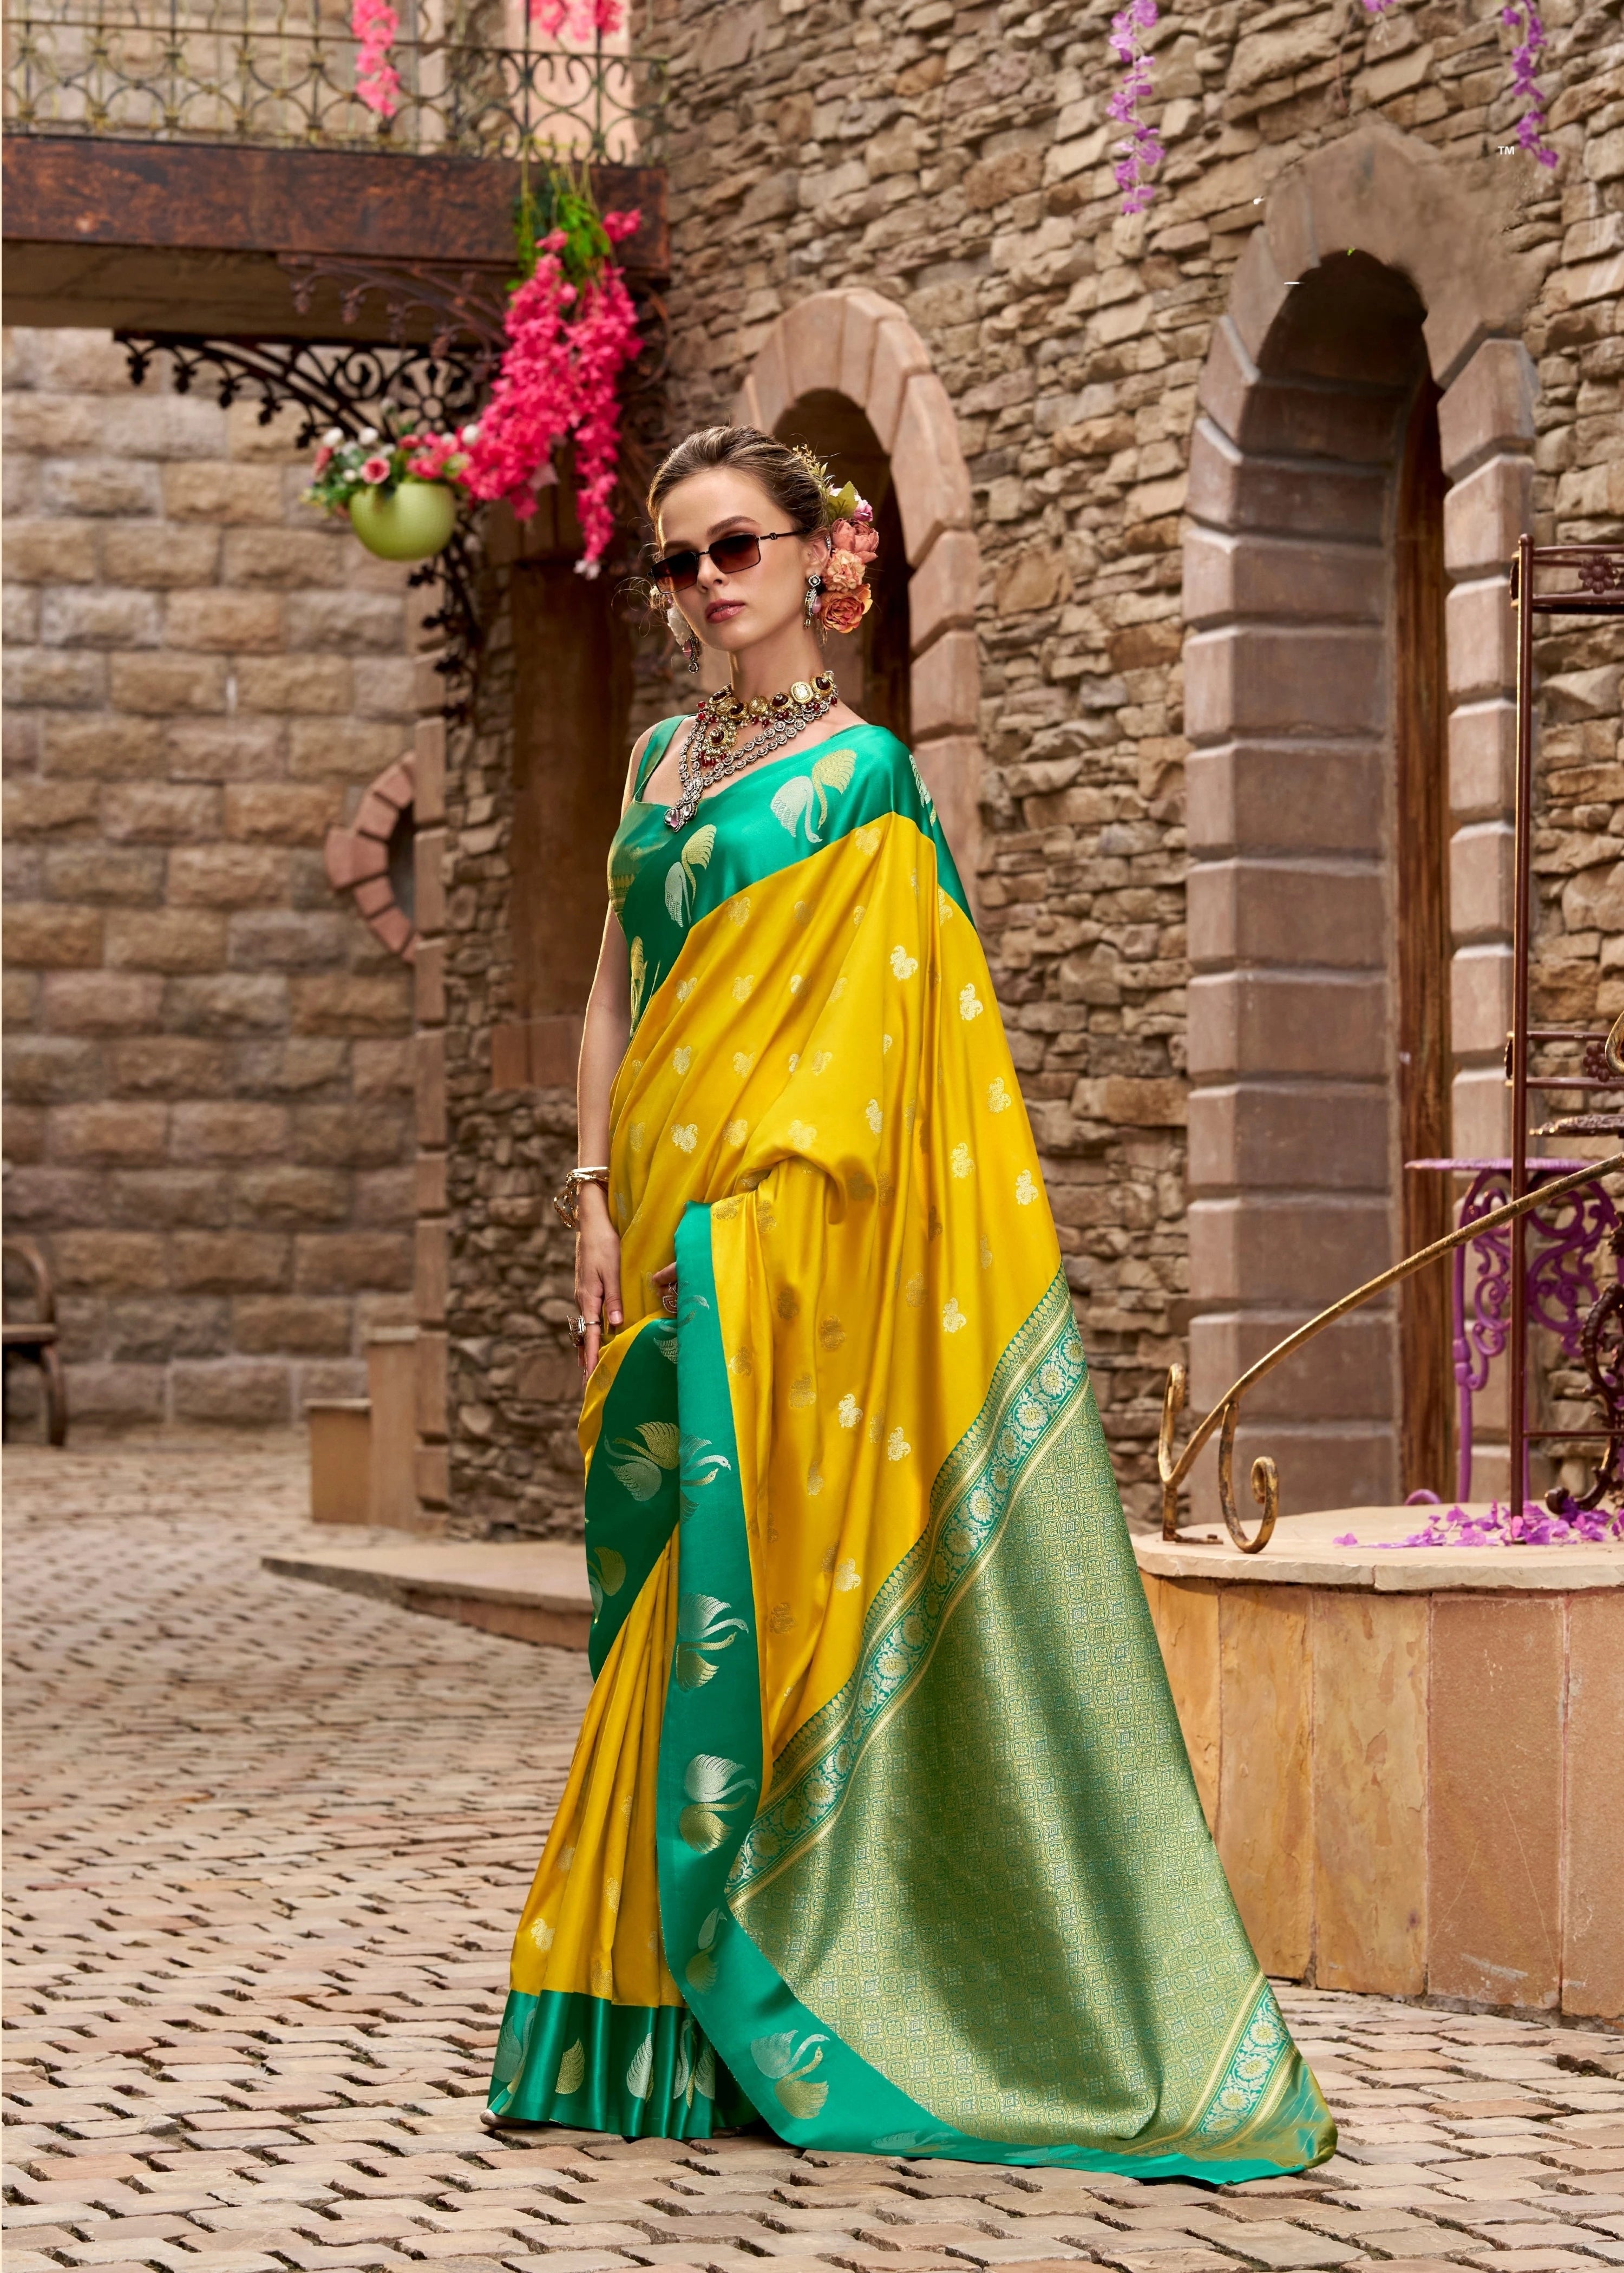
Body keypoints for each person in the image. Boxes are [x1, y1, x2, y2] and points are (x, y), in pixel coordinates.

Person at [486, 425, 1335, 2179]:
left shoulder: (864, 780)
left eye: (736, 548)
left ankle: (793, 1983)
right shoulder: (656, 761)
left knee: (770, 1581)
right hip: (659, 1216)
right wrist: (589, 1193)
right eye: (677, 561)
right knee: (672, 1592)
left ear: (819, 557)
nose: (705, 585)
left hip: (788, 1248)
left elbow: (883, 1061)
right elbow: (611, 994)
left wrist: (754, 1226)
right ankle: (642, 2019)